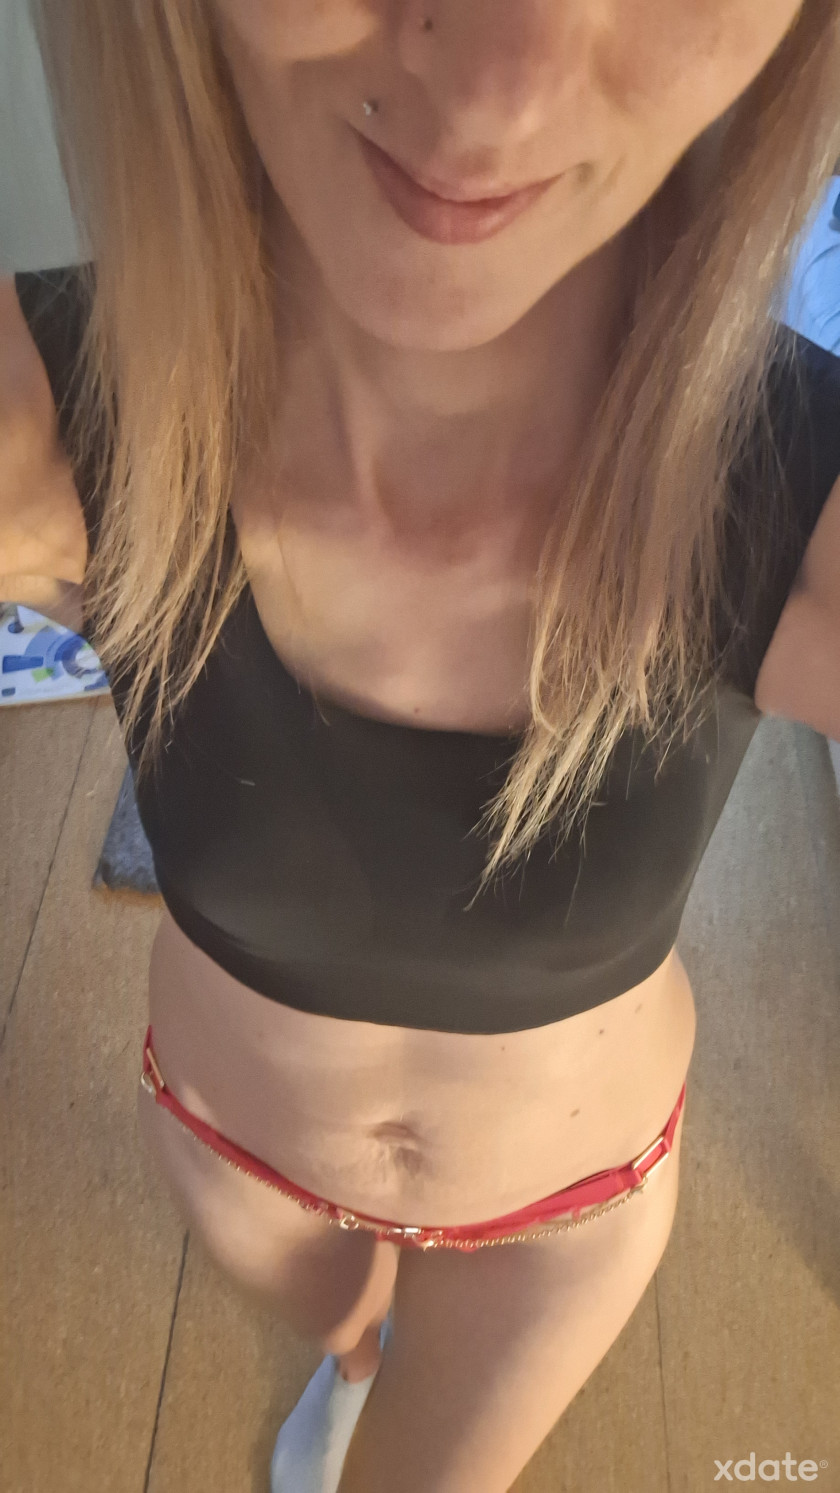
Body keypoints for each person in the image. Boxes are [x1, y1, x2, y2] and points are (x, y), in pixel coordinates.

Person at [2, 3, 840, 1490]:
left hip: (557, 1223)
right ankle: (355, 1359)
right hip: (237, 1165)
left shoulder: (792, 490)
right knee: (349, 1342)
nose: (494, 99)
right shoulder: (56, 422)